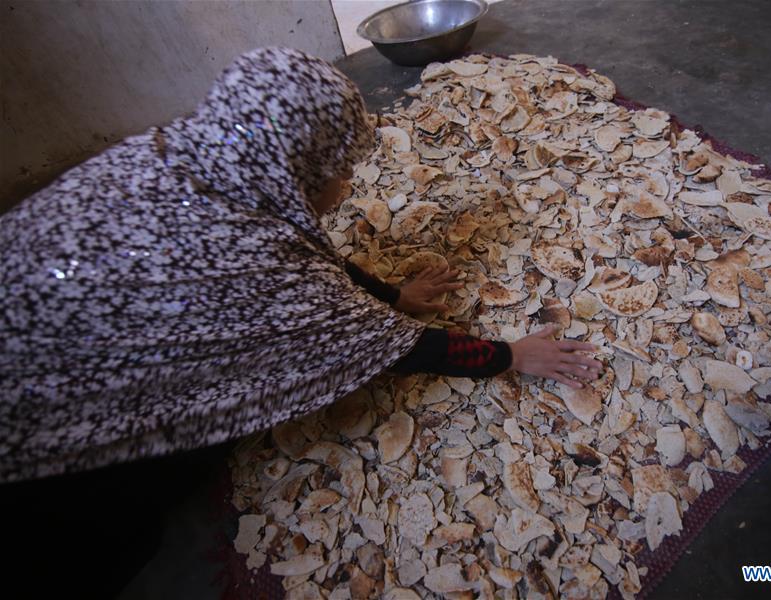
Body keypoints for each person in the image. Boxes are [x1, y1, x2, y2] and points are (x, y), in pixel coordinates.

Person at [0, 48, 603, 596]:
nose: (345, 189)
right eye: (337, 171)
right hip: (33, 439)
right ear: (296, 168)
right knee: (106, 533)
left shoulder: (172, 153)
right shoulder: (246, 260)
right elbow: (389, 344)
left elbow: (297, 250)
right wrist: (509, 356)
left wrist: (392, 291)